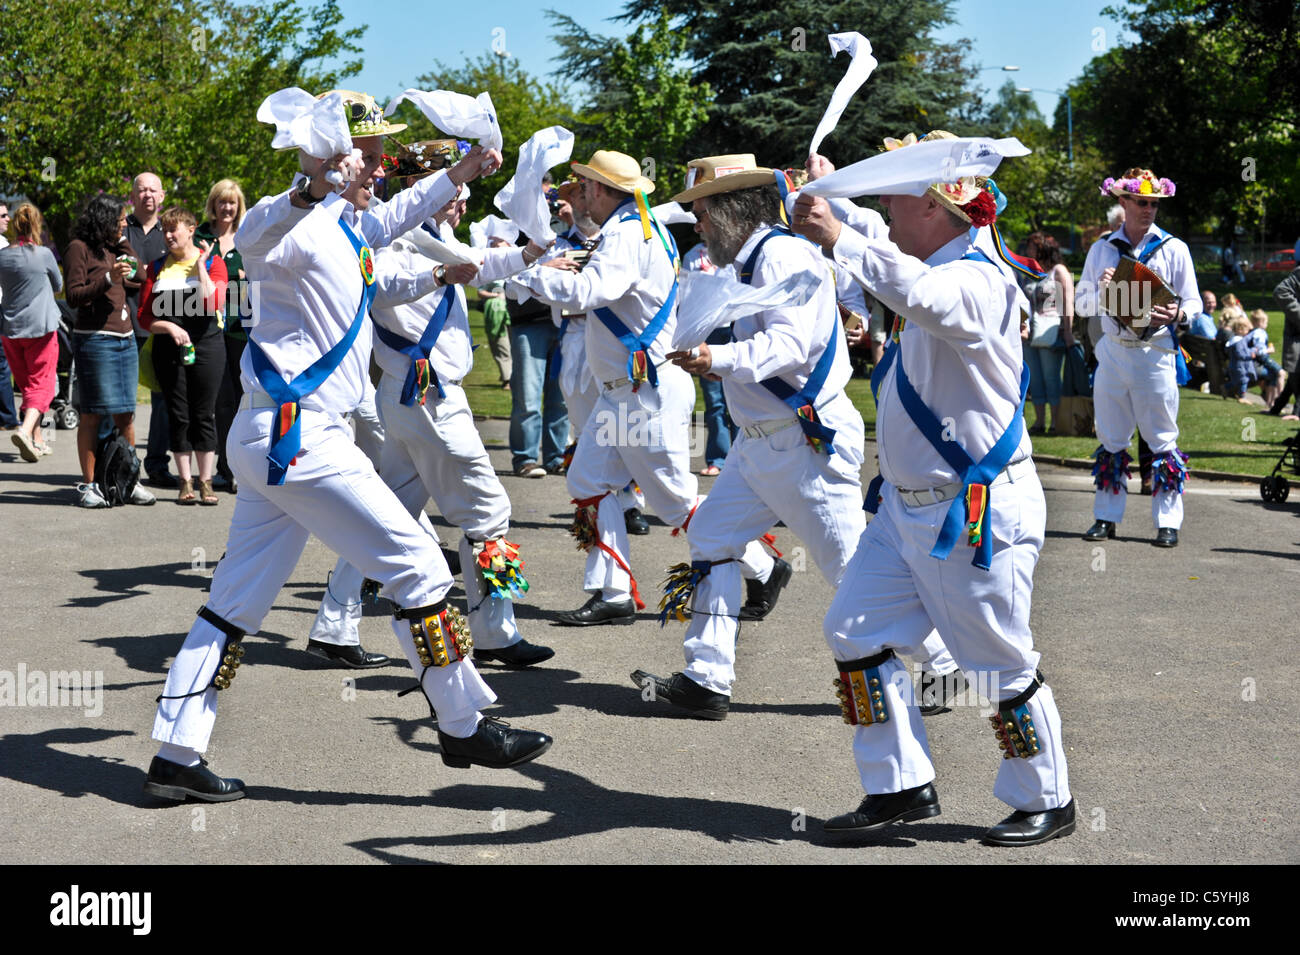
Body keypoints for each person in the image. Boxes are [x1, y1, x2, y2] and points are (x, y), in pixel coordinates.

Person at [144, 89, 550, 803]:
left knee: (233, 601)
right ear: (334, 161)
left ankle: (177, 750)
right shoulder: (290, 221)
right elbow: (256, 236)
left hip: (287, 438)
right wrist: (308, 182)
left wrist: (456, 189)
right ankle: (461, 722)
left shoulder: (348, 227)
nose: (380, 166)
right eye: (369, 155)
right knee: (422, 566)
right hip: (298, 437)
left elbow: (382, 254)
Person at [791, 130, 1074, 846]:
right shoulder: (928, 255)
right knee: (854, 630)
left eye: (892, 201)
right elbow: (893, 262)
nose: (882, 213)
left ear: (931, 205)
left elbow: (920, 293)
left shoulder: (977, 278)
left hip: (973, 511)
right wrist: (830, 194)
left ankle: (1048, 795)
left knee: (998, 661)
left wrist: (839, 235)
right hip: (903, 510)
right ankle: (900, 785)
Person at [631, 155, 864, 720]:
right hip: (762, 442)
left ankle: (941, 667)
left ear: (733, 210)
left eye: (703, 212)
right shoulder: (747, 260)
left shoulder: (781, 255)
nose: (698, 224)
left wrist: (718, 356)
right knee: (711, 535)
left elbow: (791, 345)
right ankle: (706, 681)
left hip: (804, 441)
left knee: (855, 571)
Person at [507, 150, 781, 626]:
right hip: (626, 391)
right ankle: (612, 591)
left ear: (601, 190)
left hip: (641, 390)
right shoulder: (640, 228)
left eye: (586, 186)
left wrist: (528, 275)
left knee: (674, 501)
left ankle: (763, 565)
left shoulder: (627, 235)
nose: (581, 194)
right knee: (588, 481)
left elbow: (588, 293)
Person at [307, 147, 554, 671]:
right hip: (430, 398)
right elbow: (382, 291)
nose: (463, 198)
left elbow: (480, 265)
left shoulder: (435, 239)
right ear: (429, 185)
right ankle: (495, 633)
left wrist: (530, 254)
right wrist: (441, 276)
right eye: (455, 186)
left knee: (387, 515)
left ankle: (333, 624)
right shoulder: (392, 239)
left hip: (414, 399)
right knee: (489, 513)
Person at [1076, 168, 1200, 548]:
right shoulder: (1101, 249)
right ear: (1123, 202)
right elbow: (1080, 305)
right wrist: (1100, 289)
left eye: (1154, 204)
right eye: (1141, 202)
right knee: (1111, 437)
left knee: (1162, 438)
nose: (1148, 210)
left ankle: (1168, 522)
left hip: (1155, 352)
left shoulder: (1173, 247)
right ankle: (1105, 517)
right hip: (1113, 353)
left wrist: (1177, 314)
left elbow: (1193, 301)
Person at [63, 195, 157, 507]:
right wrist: (108, 278)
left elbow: (141, 276)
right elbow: (74, 295)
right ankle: (89, 486)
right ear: (102, 220)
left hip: (124, 339)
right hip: (95, 341)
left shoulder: (113, 247)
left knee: (126, 415)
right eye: (118, 222)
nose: (123, 226)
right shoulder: (79, 247)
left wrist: (121, 242)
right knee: (92, 414)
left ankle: (130, 482)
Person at [138, 207, 229, 504]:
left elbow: (214, 300)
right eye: (164, 230)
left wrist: (201, 265)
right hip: (168, 347)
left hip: (207, 344)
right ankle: (185, 482)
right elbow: (144, 317)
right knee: (178, 414)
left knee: (204, 413)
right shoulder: (156, 267)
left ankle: (206, 482)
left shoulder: (215, 263)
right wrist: (167, 327)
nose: (167, 235)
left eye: (173, 229)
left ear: (190, 230)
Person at [197, 179, 249, 493]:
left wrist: (237, 277)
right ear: (213, 204)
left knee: (246, 399)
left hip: (243, 329)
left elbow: (257, 274)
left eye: (231, 202)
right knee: (222, 401)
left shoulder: (248, 235)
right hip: (210, 327)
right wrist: (236, 277)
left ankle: (245, 468)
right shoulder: (202, 236)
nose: (226, 208)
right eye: (221, 202)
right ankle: (223, 468)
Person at [124, 172, 175, 487]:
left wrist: (136, 273)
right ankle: (122, 463)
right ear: (133, 195)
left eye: (153, 190)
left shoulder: (169, 232)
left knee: (163, 402)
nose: (147, 195)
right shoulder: (119, 229)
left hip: (159, 326)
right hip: (123, 326)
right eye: (141, 190)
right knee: (123, 402)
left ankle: (157, 465)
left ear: (163, 195)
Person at [1, 202, 63, 461]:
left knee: (27, 384)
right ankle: (26, 431)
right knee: (44, 384)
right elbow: (58, 285)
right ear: (37, 225)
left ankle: (37, 441)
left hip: (10, 328)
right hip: (41, 327)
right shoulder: (44, 254)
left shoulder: (3, 256)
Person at [680, 240, 734, 476]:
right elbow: (686, 294)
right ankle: (719, 458)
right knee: (715, 402)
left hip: (733, 327)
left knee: (741, 395)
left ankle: (740, 460)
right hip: (707, 331)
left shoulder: (734, 248)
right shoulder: (692, 254)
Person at [1021, 232, 1075, 434]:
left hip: (1051, 331)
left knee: (1051, 377)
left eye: (1032, 247)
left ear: (1043, 248)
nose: (1028, 251)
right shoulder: (1029, 271)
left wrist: (1068, 331)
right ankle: (1039, 421)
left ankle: (1055, 422)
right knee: (1035, 379)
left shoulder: (1057, 271)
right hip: (1030, 332)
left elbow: (1068, 302)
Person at [1269, 268, 1300, 417]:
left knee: (1295, 372)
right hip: (1297, 336)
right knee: (1295, 369)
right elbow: (1281, 292)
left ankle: (1278, 407)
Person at [1246, 309, 1284, 407]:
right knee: (1281, 373)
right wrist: (1269, 350)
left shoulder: (1253, 332)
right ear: (1260, 322)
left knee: (1274, 376)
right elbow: (1258, 351)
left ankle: (1271, 403)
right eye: (1266, 322)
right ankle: (1281, 399)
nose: (1267, 324)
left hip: (1255, 362)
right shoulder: (1260, 333)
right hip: (1261, 359)